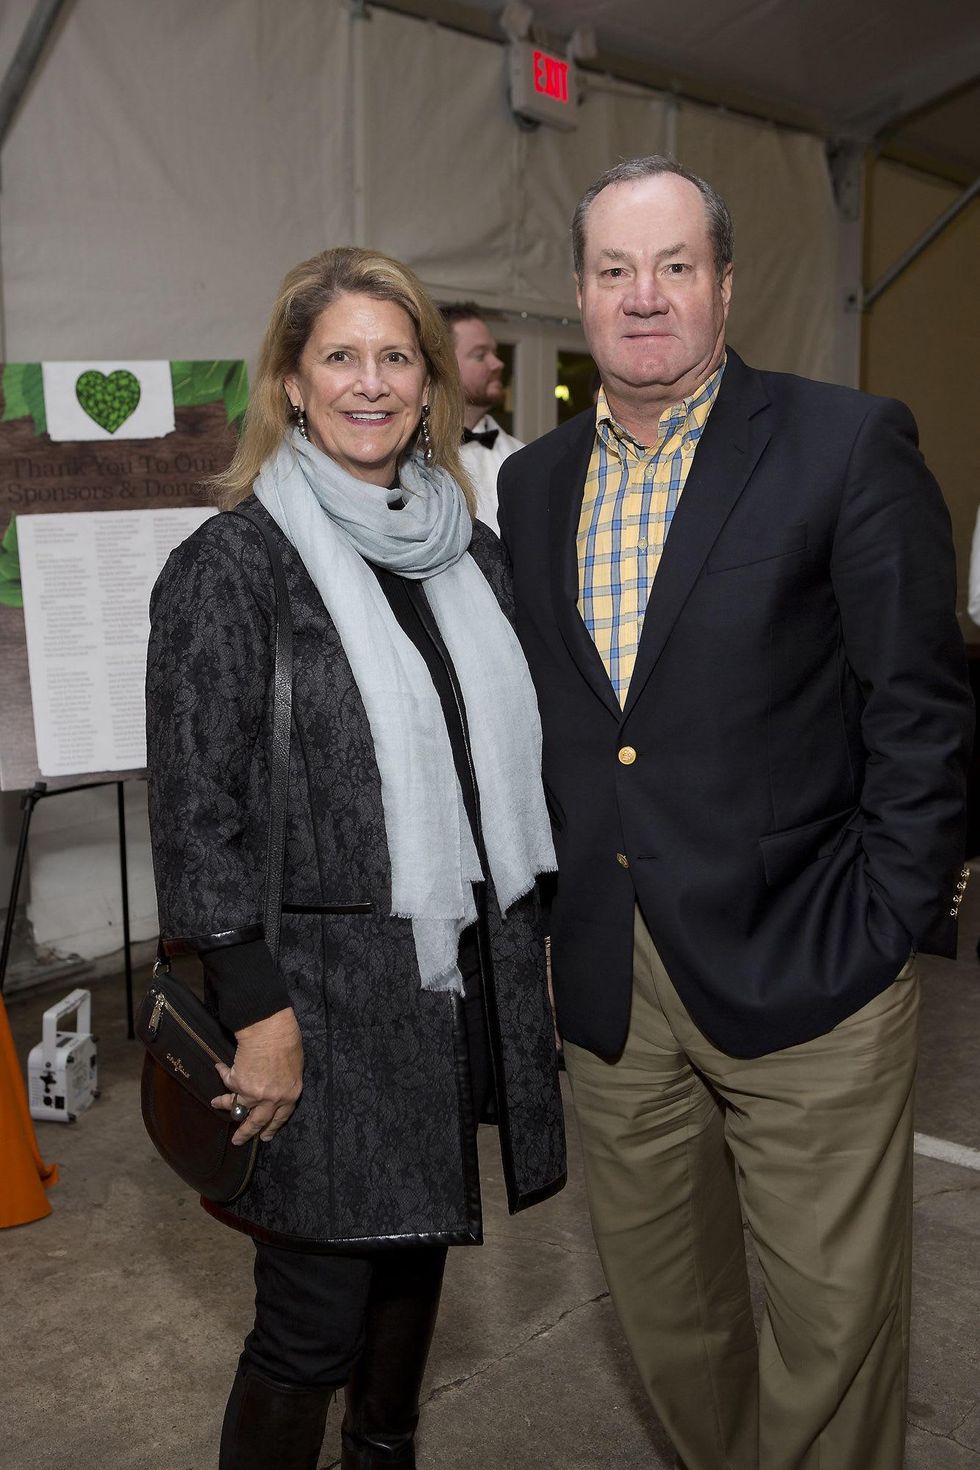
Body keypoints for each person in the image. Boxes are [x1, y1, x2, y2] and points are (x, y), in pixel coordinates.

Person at [497, 155, 973, 1470]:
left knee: (832, 1333)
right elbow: (569, 726)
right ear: (581, 293)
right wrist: (547, 924)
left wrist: (887, 913)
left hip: (810, 957)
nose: (643, 297)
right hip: (610, 980)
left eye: (674, 266)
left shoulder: (844, 440)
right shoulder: (534, 487)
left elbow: (922, 712)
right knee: (671, 1321)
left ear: (725, 282)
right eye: (613, 270)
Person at [145, 246, 566, 1470]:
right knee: (310, 1320)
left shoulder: (467, 559)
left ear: (430, 387)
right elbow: (195, 809)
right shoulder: (230, 569)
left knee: (411, 1267)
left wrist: (525, 949)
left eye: (396, 357)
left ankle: (387, 1456)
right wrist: (254, 1006)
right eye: (340, 356)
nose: (370, 383)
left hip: (442, 987)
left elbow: (505, 785)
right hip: (315, 999)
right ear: (289, 382)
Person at [441, 302, 523, 533]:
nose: (498, 363)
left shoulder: (522, 456)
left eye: (494, 353)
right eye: (480, 355)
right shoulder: (411, 457)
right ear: (443, 365)